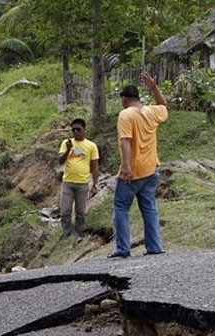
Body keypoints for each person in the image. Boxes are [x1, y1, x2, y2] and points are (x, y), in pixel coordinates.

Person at [109, 72, 169, 258]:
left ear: (125, 99)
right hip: (152, 170)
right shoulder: (151, 111)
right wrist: (154, 87)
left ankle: (122, 248)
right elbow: (164, 106)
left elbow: (125, 140)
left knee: (120, 207)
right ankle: (154, 246)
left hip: (133, 171)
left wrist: (126, 166)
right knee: (149, 208)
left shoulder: (126, 115)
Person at [58, 118, 99, 240]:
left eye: (78, 129)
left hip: (82, 183)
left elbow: (95, 166)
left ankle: (78, 234)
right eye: (73, 130)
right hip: (68, 182)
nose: (76, 132)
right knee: (65, 211)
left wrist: (95, 184)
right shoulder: (66, 143)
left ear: (84, 130)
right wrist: (68, 150)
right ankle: (66, 234)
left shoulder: (91, 146)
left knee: (80, 212)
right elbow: (60, 161)